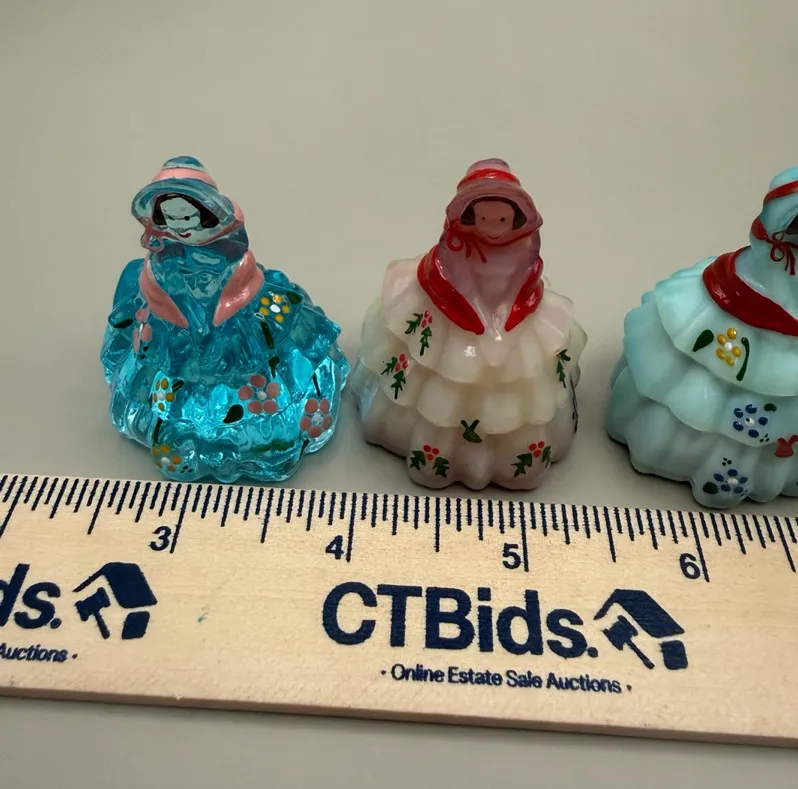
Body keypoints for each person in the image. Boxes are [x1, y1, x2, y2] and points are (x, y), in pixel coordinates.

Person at [101, 156, 349, 483]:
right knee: (178, 374)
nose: (181, 226)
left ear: (205, 215)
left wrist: (212, 319)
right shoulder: (158, 265)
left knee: (257, 372)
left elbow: (237, 285)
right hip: (174, 329)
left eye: (188, 216)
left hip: (236, 320)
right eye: (171, 218)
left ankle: (259, 438)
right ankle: (186, 435)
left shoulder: (232, 258)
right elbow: (158, 290)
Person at [351, 158, 586, 490]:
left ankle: (513, 453)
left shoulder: (525, 245)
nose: (493, 227)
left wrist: (504, 319)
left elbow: (524, 279)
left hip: (511, 314)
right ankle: (429, 447)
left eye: (502, 219)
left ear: (516, 218)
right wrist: (482, 323)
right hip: (457, 311)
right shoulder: (457, 245)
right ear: (470, 216)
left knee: (521, 375)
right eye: (484, 218)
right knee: (441, 381)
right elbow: (458, 283)